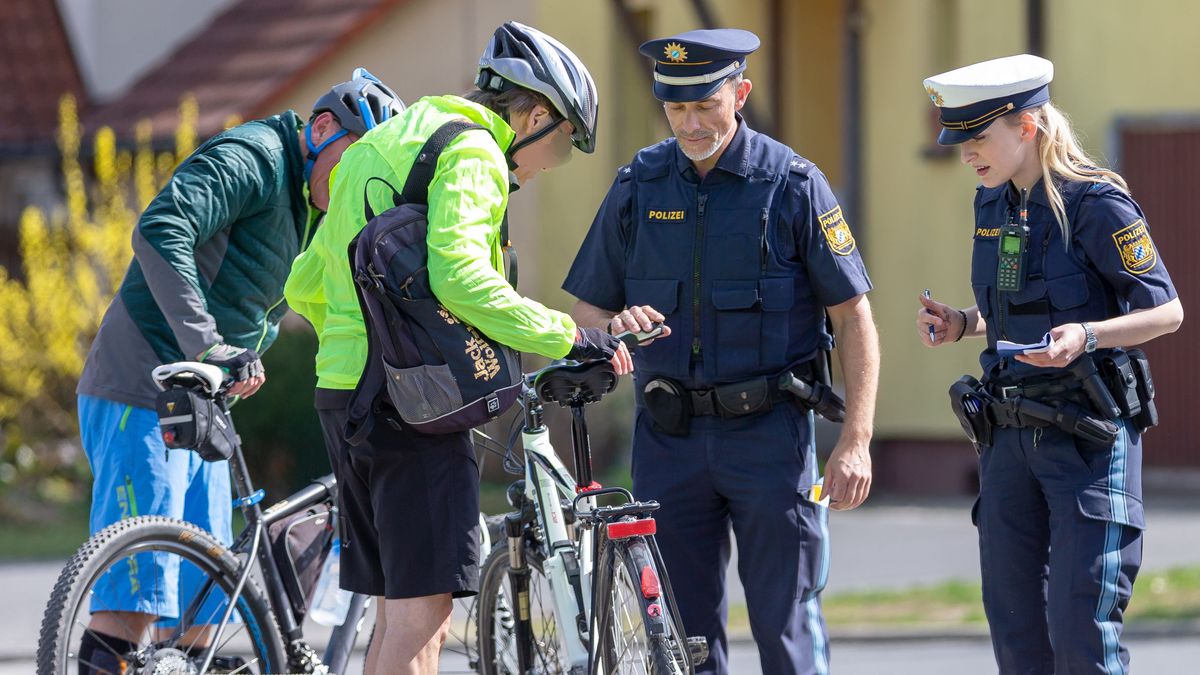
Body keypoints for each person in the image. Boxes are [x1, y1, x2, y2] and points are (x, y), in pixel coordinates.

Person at [284, 22, 628, 675]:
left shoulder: (391, 138)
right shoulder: (472, 152)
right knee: (422, 618)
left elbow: (305, 283)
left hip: (345, 397)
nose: (545, 167)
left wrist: (359, 344)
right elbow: (461, 276)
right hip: (409, 404)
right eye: (557, 146)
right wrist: (569, 334)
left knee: (397, 611)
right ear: (532, 115)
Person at [563, 28, 879, 675]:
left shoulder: (793, 185)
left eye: (705, 105)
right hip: (669, 442)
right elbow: (588, 313)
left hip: (770, 440)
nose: (691, 122)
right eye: (677, 109)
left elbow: (854, 317)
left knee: (786, 630)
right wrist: (614, 326)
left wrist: (856, 439)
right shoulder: (639, 186)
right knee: (680, 641)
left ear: (740, 93)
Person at [73, 69, 403, 674]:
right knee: (138, 598)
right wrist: (210, 345)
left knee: (207, 609)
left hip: (204, 404)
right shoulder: (254, 155)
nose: (356, 180)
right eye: (352, 160)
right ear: (323, 127)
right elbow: (161, 229)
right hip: (140, 383)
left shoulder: (318, 207)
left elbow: (316, 304)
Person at [917, 54, 1183, 674]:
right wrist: (965, 322)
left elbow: (1166, 311)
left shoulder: (1097, 203)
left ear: (1028, 127)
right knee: (1017, 638)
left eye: (978, 138)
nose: (966, 155)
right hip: (1008, 442)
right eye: (960, 142)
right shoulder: (993, 204)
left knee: (1080, 636)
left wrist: (1087, 335)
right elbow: (1023, 310)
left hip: (1086, 441)